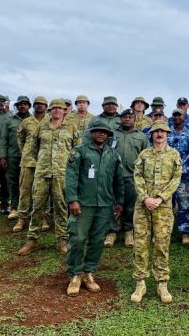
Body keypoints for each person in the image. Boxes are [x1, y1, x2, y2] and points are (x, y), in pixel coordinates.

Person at [64, 119, 125, 296]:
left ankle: (88, 273)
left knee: (98, 240)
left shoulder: (113, 154)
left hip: (105, 205)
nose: (101, 134)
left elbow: (118, 180)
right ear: (91, 132)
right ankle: (75, 275)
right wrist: (73, 200)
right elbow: (71, 177)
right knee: (77, 238)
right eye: (98, 131)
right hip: (83, 204)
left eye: (105, 132)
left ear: (108, 135)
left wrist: (119, 202)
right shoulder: (80, 151)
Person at [18, 99, 79, 256]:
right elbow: (33, 148)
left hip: (61, 174)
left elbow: (77, 150)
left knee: (61, 207)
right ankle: (32, 240)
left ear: (65, 110)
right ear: (50, 110)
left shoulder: (71, 127)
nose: (57, 111)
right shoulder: (42, 126)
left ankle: (62, 241)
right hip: (42, 173)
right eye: (54, 108)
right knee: (38, 206)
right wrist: (42, 163)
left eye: (60, 108)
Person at [130, 121, 182, 304]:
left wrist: (160, 198)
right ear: (151, 134)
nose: (159, 134)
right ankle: (140, 283)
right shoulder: (144, 155)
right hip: (143, 206)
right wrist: (145, 198)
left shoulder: (174, 154)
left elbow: (176, 179)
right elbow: (137, 177)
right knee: (141, 244)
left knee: (162, 244)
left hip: (163, 206)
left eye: (163, 131)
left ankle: (162, 283)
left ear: (167, 134)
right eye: (156, 131)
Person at [104, 109, 150, 248]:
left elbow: (145, 157)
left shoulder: (141, 137)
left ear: (134, 119)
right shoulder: (112, 135)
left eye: (130, 117)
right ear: (120, 119)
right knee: (112, 203)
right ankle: (112, 231)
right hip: (113, 175)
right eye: (125, 117)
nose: (127, 119)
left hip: (132, 176)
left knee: (131, 205)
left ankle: (129, 231)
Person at [12, 96, 47, 232]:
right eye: (37, 104)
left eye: (42, 104)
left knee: (41, 192)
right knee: (25, 190)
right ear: (34, 106)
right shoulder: (26, 122)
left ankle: (41, 218)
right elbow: (20, 139)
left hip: (44, 162)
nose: (39, 106)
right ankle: (22, 218)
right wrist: (26, 152)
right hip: (28, 161)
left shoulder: (50, 121)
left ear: (46, 106)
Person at [168, 108, 189, 244]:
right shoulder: (167, 133)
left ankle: (184, 231)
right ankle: (165, 231)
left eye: (179, 115)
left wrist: (180, 167)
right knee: (166, 204)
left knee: (184, 204)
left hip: (183, 175)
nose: (177, 117)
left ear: (184, 117)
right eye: (175, 115)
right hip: (166, 175)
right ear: (172, 117)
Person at [0, 96, 31, 220]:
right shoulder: (9, 121)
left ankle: (29, 208)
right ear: (16, 106)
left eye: (25, 104)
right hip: (13, 156)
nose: (22, 106)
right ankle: (14, 207)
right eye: (20, 104)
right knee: (12, 182)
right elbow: (3, 140)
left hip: (30, 157)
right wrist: (2, 156)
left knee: (29, 183)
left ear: (29, 106)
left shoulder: (35, 120)